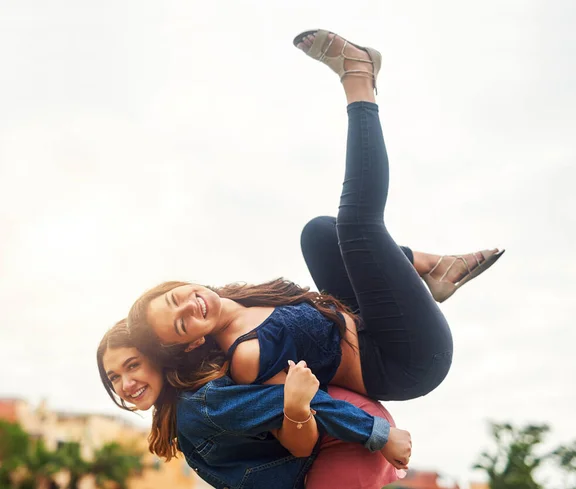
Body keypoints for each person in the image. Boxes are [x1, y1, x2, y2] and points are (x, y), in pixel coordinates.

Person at [126, 29, 504, 408]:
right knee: (357, 224)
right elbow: (313, 406)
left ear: (183, 284)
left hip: (365, 325)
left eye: (177, 298)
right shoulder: (246, 357)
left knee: (319, 234)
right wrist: (378, 436)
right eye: (181, 324)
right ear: (191, 342)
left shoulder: (243, 299)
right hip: (406, 358)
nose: (189, 308)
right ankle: (358, 77)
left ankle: (434, 267)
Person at [98, 321, 410, 489]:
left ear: (157, 357)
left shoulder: (198, 405)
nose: (126, 384)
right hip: (340, 431)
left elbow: (290, 397)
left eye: (133, 365)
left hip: (344, 435)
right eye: (114, 377)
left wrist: (378, 433)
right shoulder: (183, 410)